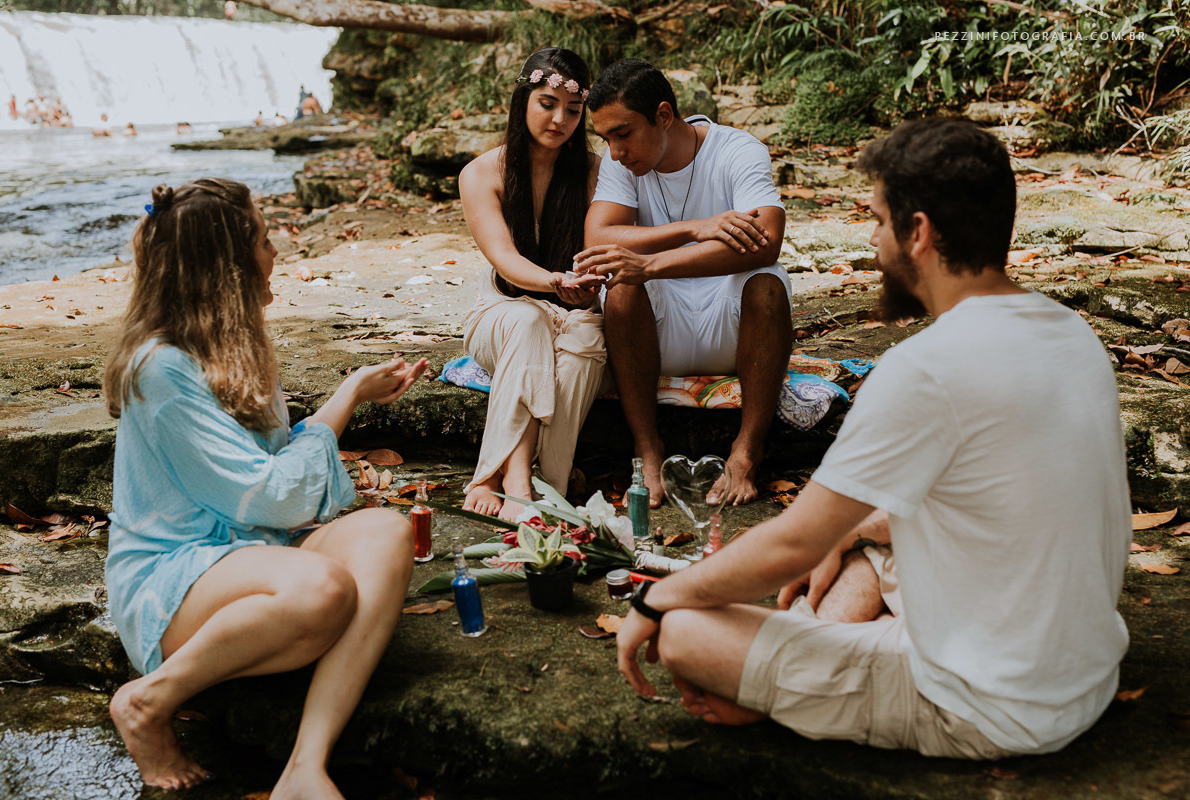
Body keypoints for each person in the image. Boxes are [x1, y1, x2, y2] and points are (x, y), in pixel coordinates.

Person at [614, 118, 1130, 759]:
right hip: (1081, 671)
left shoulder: (927, 368)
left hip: (988, 706)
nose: (872, 238)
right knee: (865, 539)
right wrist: (851, 531)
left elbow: (795, 540)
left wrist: (656, 598)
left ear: (919, 234)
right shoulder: (1072, 334)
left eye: (879, 221)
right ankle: (805, 646)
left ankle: (785, 675)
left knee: (686, 632)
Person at [103, 178, 428, 796]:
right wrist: (340, 403)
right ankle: (148, 701)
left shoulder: (233, 346)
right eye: (262, 238)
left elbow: (276, 470)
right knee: (324, 589)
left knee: (387, 532)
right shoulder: (161, 368)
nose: (274, 250)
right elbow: (274, 494)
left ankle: (306, 766)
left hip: (253, 552)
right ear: (228, 265)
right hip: (172, 578)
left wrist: (353, 391)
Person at [577, 59, 793, 507]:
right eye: (605, 139)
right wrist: (697, 228)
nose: (615, 152)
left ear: (663, 115)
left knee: (768, 284)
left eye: (623, 133)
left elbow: (766, 241)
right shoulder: (623, 163)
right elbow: (598, 237)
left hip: (733, 327)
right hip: (655, 331)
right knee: (619, 284)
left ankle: (746, 453)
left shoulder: (737, 149)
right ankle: (647, 447)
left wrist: (651, 265)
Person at [458, 47, 606, 520]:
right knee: (526, 320)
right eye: (547, 103)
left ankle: (549, 485)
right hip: (500, 316)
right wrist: (554, 281)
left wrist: (585, 284)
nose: (560, 118)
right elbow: (503, 259)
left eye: (573, 109)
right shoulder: (481, 173)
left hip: (570, 313)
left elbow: (602, 248)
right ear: (523, 99)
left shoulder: (591, 171)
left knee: (588, 338)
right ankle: (508, 474)